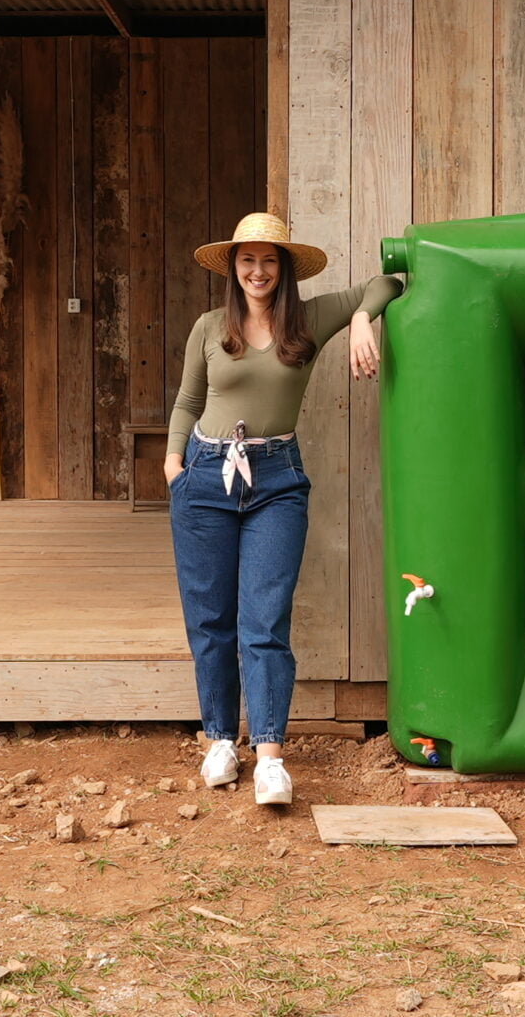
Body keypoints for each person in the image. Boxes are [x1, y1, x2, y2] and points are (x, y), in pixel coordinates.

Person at [165, 211, 403, 806]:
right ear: (233, 268)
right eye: (248, 259)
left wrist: (360, 318)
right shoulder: (209, 326)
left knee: (264, 621)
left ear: (284, 268)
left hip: (276, 479)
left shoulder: (310, 319)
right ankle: (220, 739)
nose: (258, 270)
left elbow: (390, 283)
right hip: (203, 477)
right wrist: (173, 466)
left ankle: (269, 754)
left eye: (269, 260)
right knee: (210, 620)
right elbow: (189, 400)